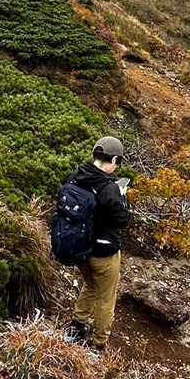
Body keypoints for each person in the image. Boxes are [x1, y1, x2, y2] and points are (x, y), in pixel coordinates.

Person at [61, 136, 131, 351]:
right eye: (118, 162)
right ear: (115, 160)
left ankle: (76, 327)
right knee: (106, 298)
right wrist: (122, 197)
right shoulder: (110, 188)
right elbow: (122, 220)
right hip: (103, 252)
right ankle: (98, 344)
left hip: (79, 248)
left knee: (89, 284)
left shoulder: (75, 176)